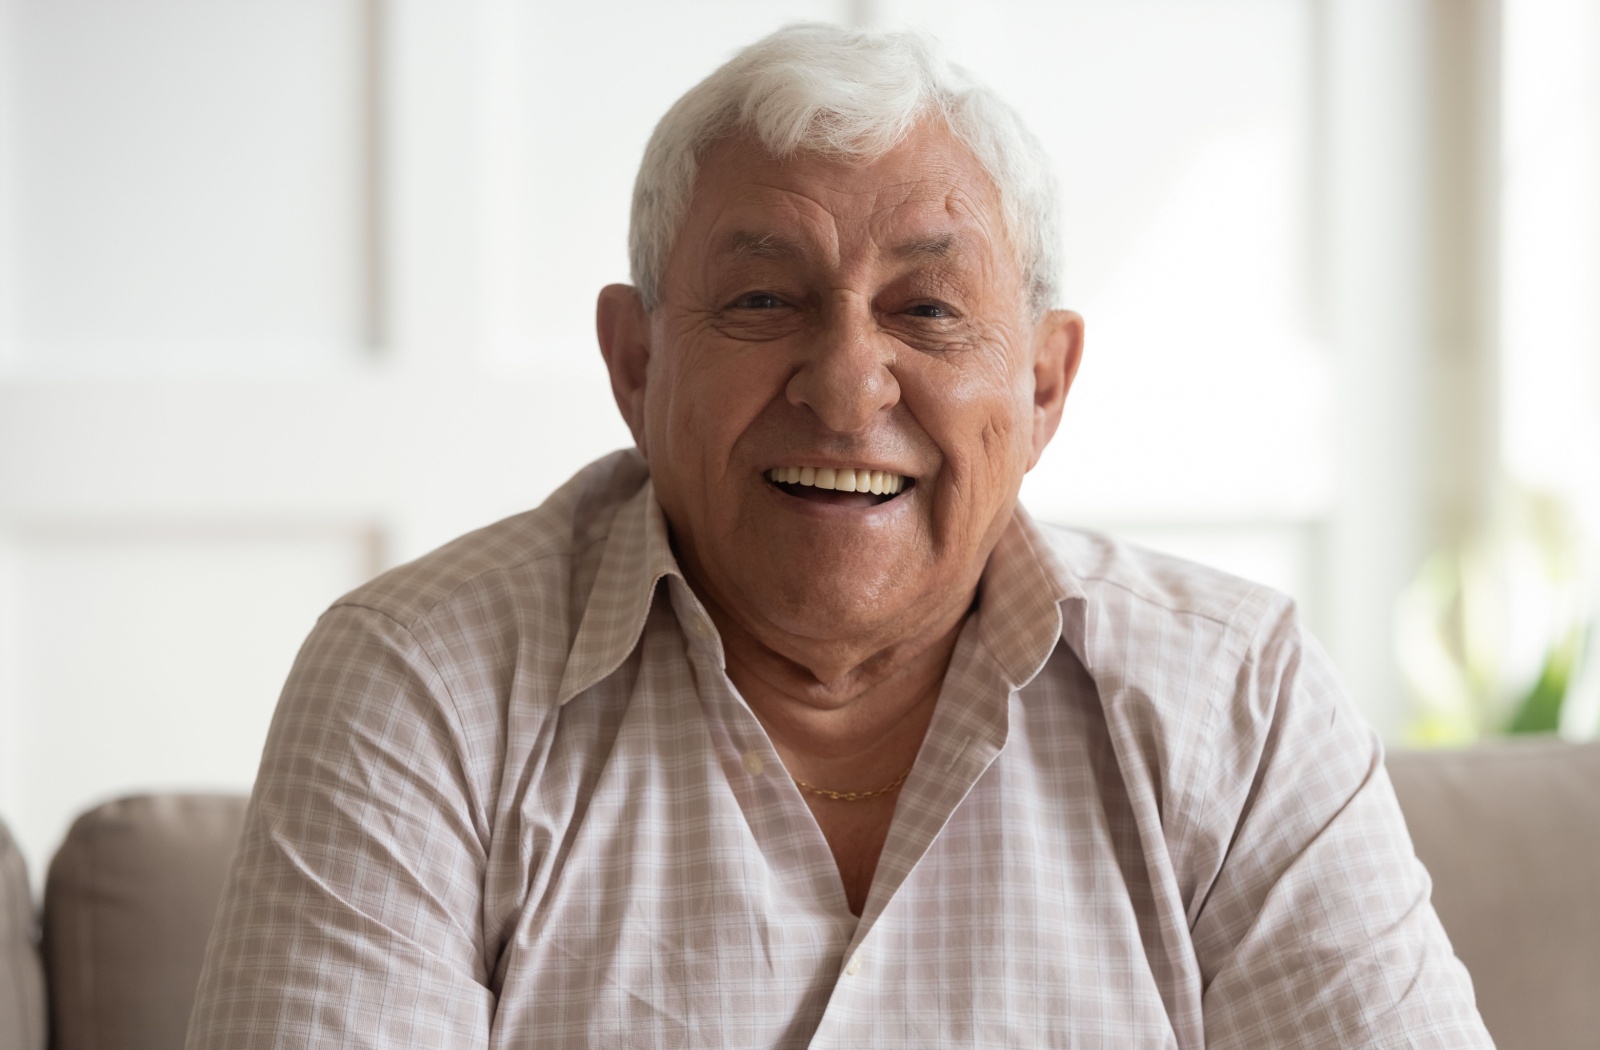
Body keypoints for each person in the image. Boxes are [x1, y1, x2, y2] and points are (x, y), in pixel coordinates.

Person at [188, 23, 1493, 1049]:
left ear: (1044, 385)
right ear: (635, 362)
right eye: (764, 299)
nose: (848, 385)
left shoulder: (1236, 698)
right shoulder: (421, 680)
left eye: (926, 311)